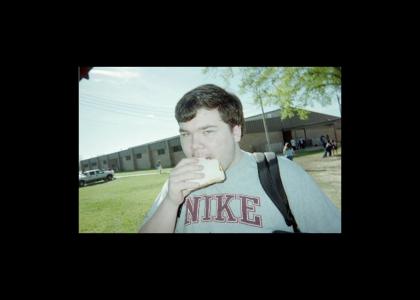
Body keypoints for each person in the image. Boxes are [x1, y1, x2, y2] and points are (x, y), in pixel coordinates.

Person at [139, 84, 341, 233]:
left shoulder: (281, 173)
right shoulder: (177, 183)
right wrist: (171, 202)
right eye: (185, 134)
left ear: (236, 132)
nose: (193, 146)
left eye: (207, 131)